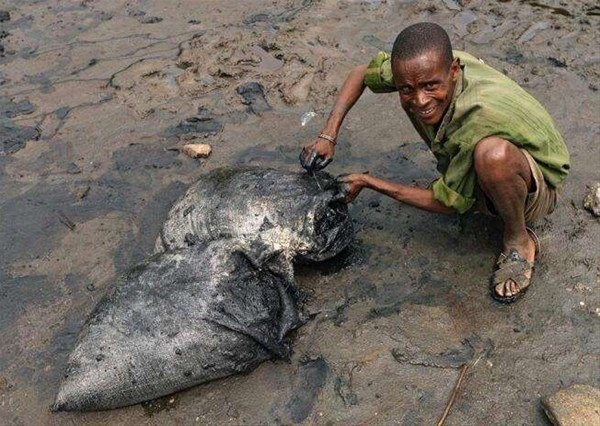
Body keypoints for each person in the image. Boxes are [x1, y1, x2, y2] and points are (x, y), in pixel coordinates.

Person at [299, 22, 570, 303]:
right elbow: (359, 75)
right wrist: (327, 135)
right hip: (483, 147)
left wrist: (369, 182)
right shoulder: (421, 68)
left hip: (537, 185)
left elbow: (448, 205)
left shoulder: (476, 118)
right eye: (406, 89)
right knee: (462, 138)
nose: (419, 99)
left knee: (492, 156)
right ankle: (463, 176)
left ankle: (519, 241)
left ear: (454, 71)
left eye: (430, 86)